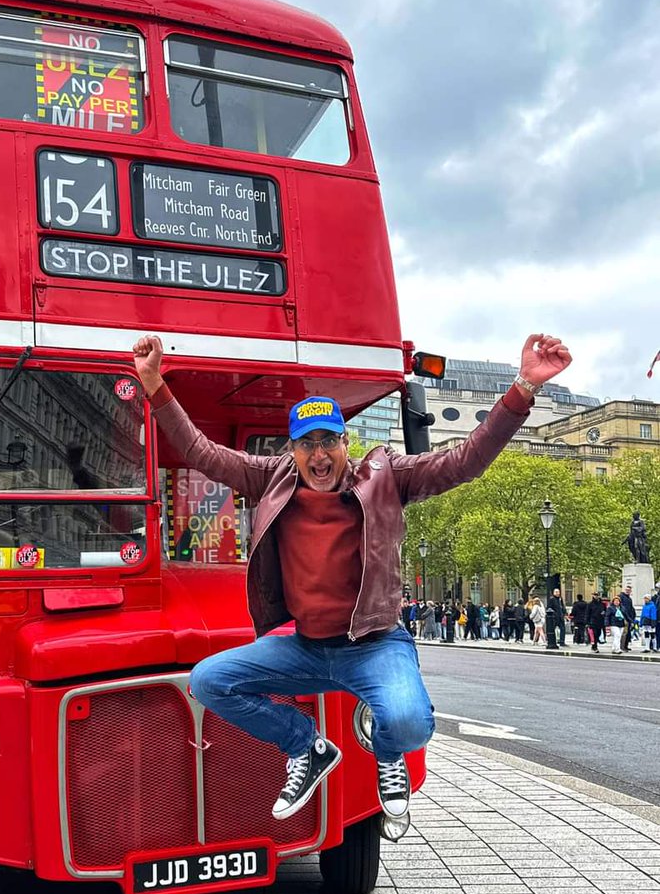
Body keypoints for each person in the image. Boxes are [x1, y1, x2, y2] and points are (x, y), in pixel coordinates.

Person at [133, 332, 572, 821]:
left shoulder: (385, 476)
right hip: (303, 646)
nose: (319, 457)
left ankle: (388, 755)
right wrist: (155, 385)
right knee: (209, 680)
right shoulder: (270, 477)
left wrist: (522, 389)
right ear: (292, 450)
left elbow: (465, 460)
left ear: (345, 443)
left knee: (408, 724)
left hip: (374, 644)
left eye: (328, 442)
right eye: (307, 445)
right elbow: (202, 453)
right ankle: (306, 747)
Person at [618, 584, 636, 652]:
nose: (628, 591)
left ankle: (626, 646)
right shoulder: (621, 597)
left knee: (628, 632)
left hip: (628, 618)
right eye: (627, 590)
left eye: (629, 590)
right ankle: (622, 646)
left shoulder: (629, 599)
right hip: (624, 617)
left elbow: (631, 608)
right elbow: (622, 608)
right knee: (624, 633)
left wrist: (633, 617)